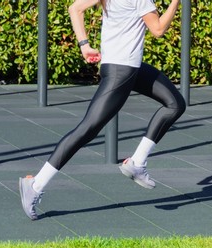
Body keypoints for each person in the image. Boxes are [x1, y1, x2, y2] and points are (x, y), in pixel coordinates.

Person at [19, 0, 186, 220]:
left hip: (125, 67)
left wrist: (84, 45)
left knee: (175, 104)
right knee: (87, 129)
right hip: (121, 72)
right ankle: (35, 184)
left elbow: (74, 8)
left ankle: (137, 162)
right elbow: (158, 29)